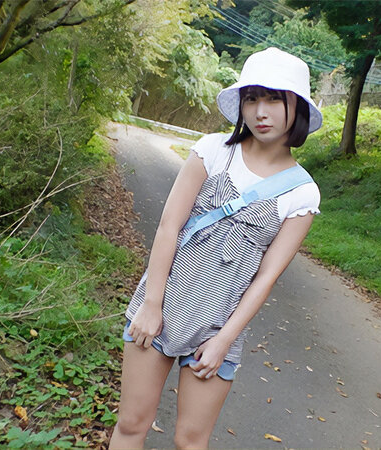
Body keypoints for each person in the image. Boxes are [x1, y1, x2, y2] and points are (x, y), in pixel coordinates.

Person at [108, 47, 323, 449]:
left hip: (218, 327)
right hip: (162, 304)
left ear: (298, 106)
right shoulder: (212, 151)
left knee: (191, 441)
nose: (261, 112)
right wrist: (151, 305)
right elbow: (169, 227)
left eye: (274, 99)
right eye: (252, 98)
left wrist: (225, 339)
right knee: (132, 424)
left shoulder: (302, 193)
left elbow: (266, 278)